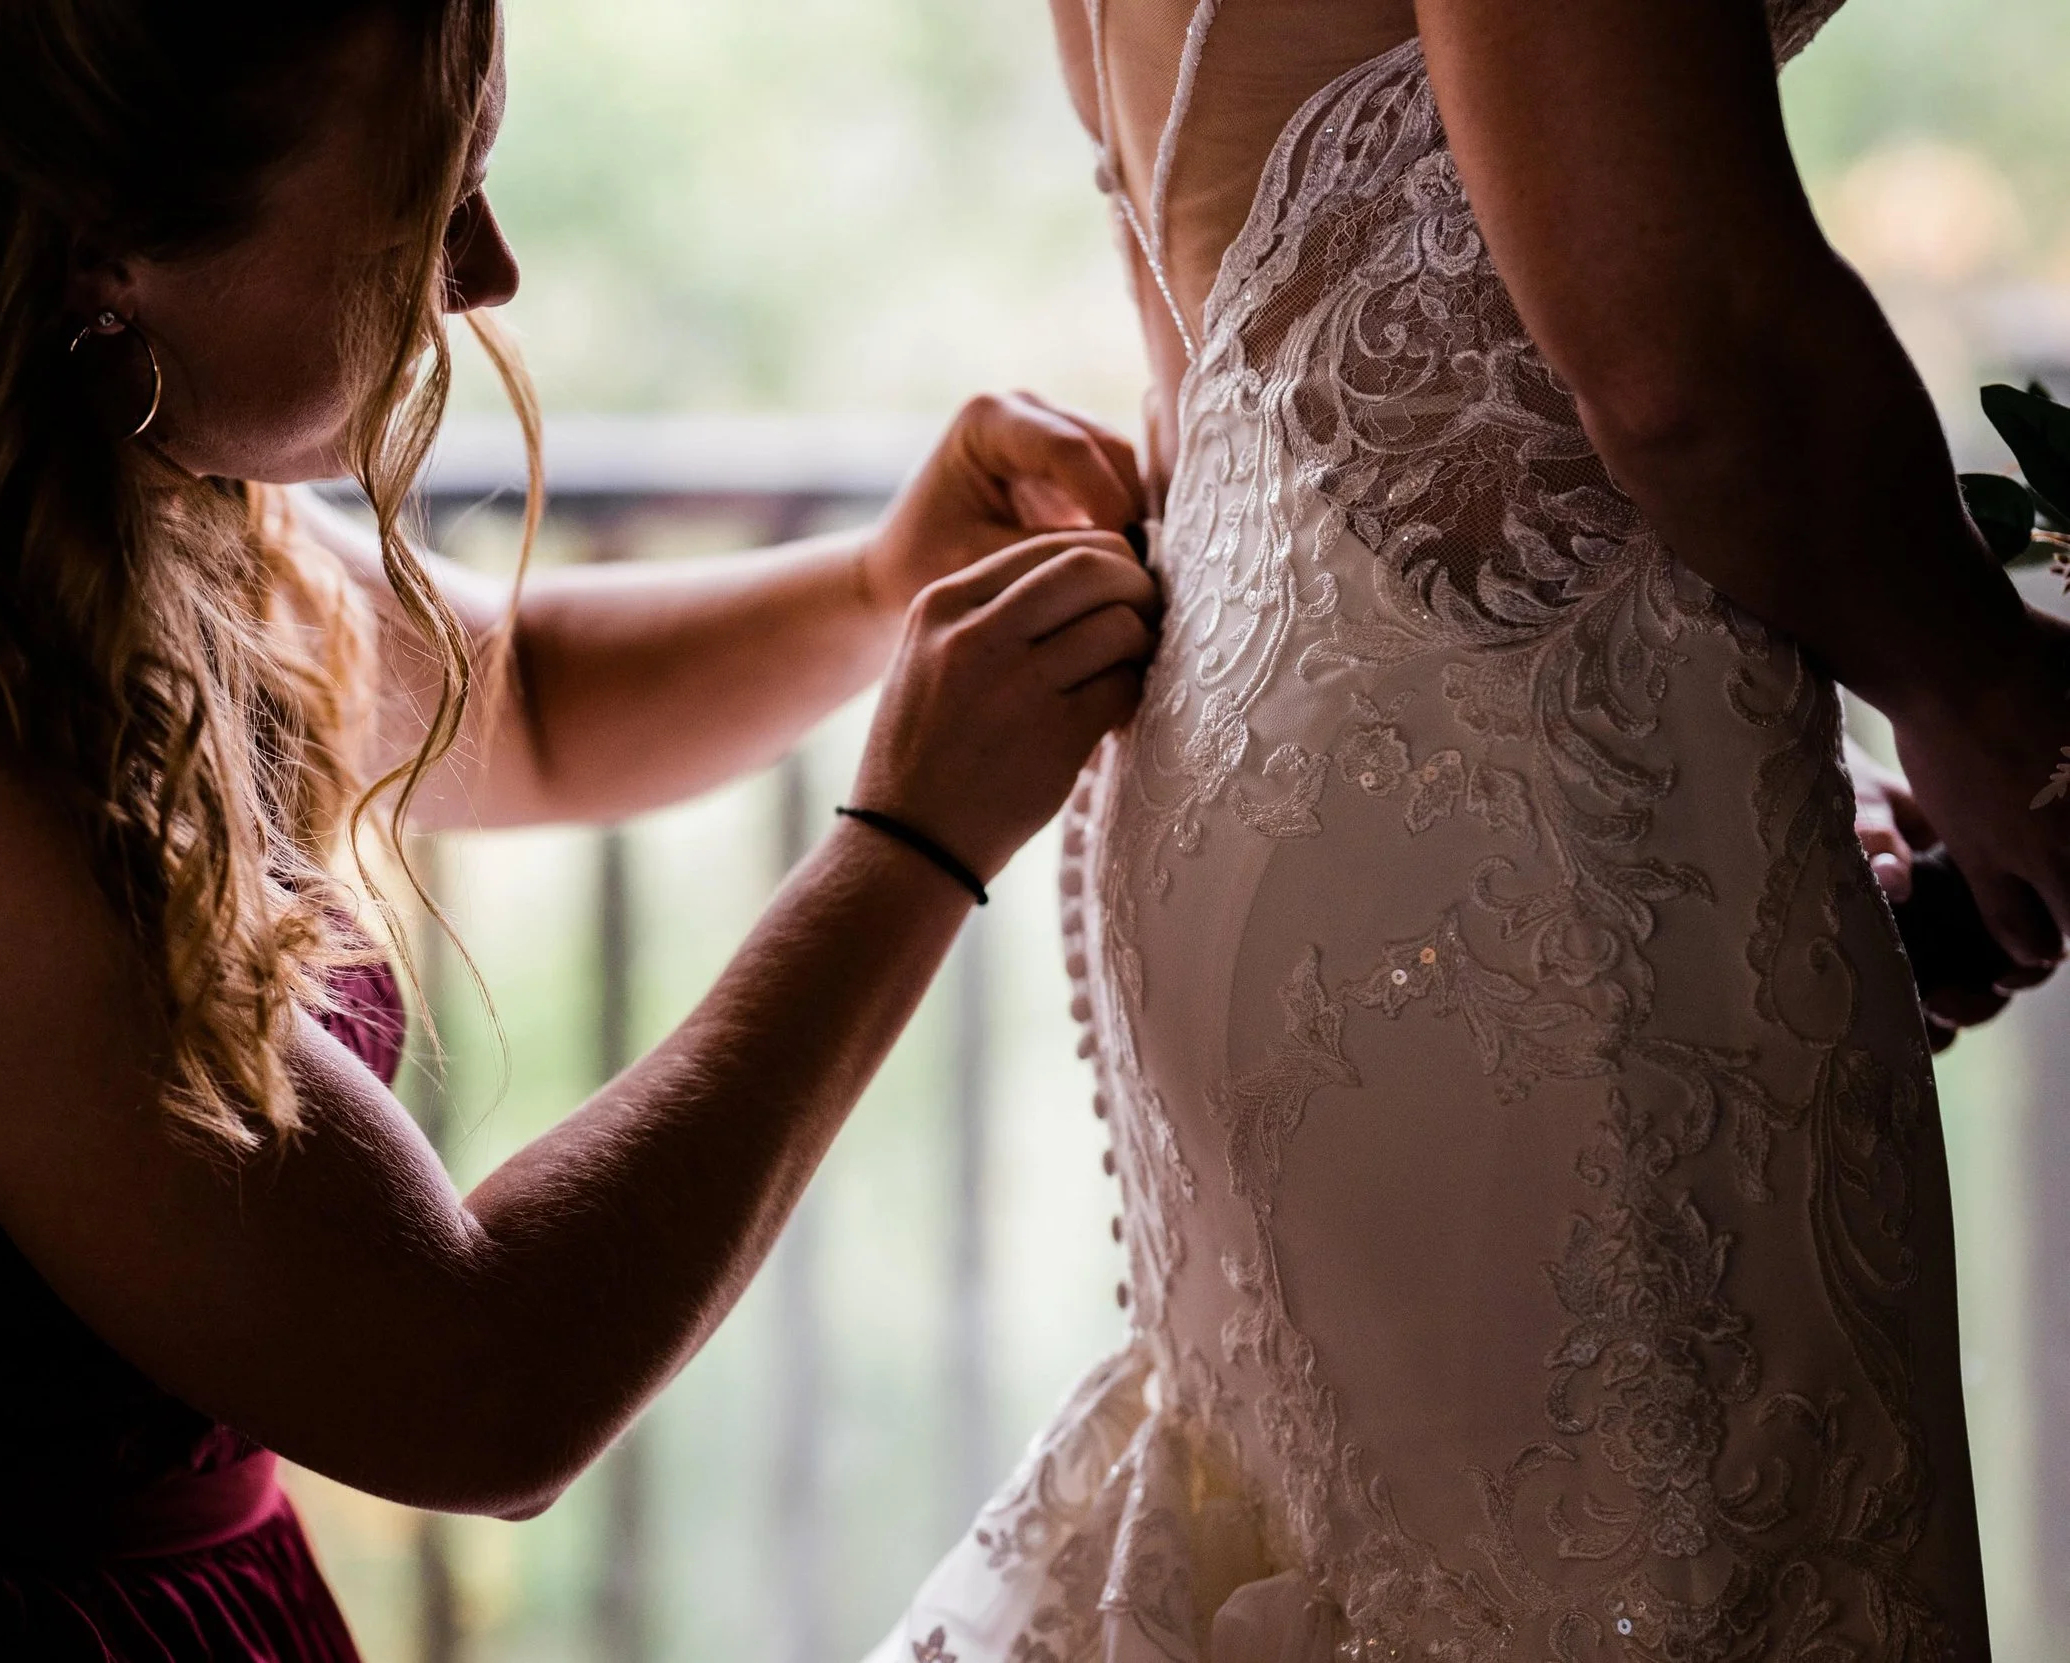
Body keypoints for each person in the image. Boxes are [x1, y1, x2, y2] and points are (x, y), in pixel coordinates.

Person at [0, 1, 1161, 1656]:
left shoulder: (93, 481)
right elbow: (479, 1377)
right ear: (105, 241)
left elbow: (517, 697)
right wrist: (908, 844)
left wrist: (871, 582)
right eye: (424, 205)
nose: (487, 274)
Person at [869, 0, 2044, 1655]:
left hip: (1295, 735)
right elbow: (1672, 345)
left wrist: (1708, 766)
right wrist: (1981, 689)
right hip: (1502, 871)